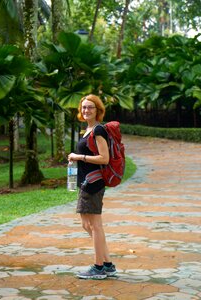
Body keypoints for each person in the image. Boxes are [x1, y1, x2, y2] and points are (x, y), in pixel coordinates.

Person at [68, 94, 117, 280]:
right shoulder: (88, 129)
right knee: (87, 224)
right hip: (85, 182)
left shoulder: (98, 130)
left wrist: (79, 157)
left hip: (93, 183)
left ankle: (98, 268)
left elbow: (104, 158)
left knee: (94, 225)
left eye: (90, 107)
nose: (86, 110)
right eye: (84, 107)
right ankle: (107, 264)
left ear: (98, 110)